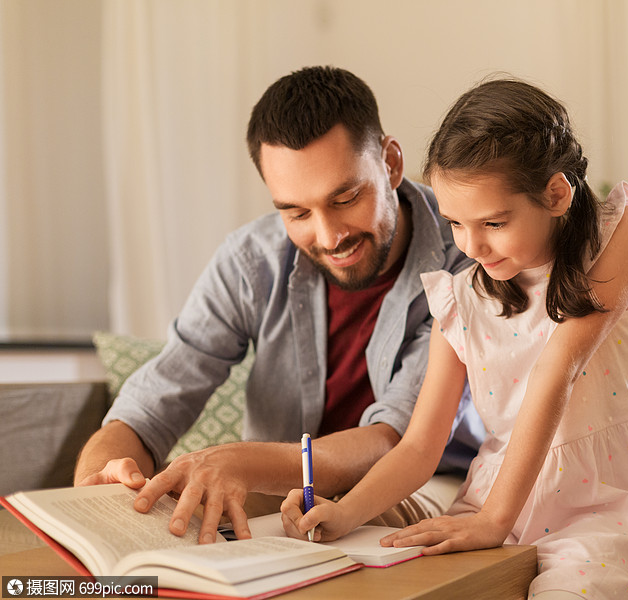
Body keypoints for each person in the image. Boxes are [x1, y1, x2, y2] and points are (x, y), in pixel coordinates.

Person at [281, 78, 628, 599]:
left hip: (600, 500)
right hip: (491, 496)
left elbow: (559, 369)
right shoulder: (460, 299)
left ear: (555, 194)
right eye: (456, 223)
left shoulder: (618, 236)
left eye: (494, 222)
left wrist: (493, 522)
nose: (472, 244)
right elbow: (419, 446)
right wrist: (343, 512)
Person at [74, 66, 482, 545]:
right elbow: (155, 399)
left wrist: (240, 462)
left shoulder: (467, 254)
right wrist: (100, 483)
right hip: (280, 481)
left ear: (391, 163)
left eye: (346, 197)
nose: (330, 236)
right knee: (170, 517)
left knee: (363, 519)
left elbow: (394, 440)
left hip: (425, 477)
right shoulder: (251, 261)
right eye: (296, 212)